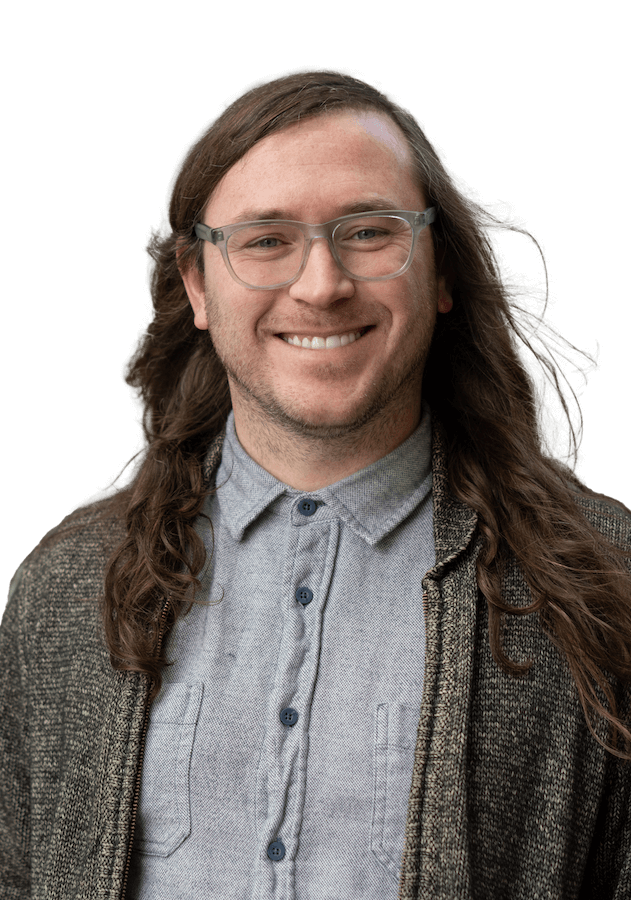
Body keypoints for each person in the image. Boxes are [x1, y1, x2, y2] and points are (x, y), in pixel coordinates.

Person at [2, 67, 630, 900]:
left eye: (368, 232)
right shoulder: (58, 590)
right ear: (197, 284)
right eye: (265, 240)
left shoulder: (610, 582)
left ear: (440, 270)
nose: (321, 285)